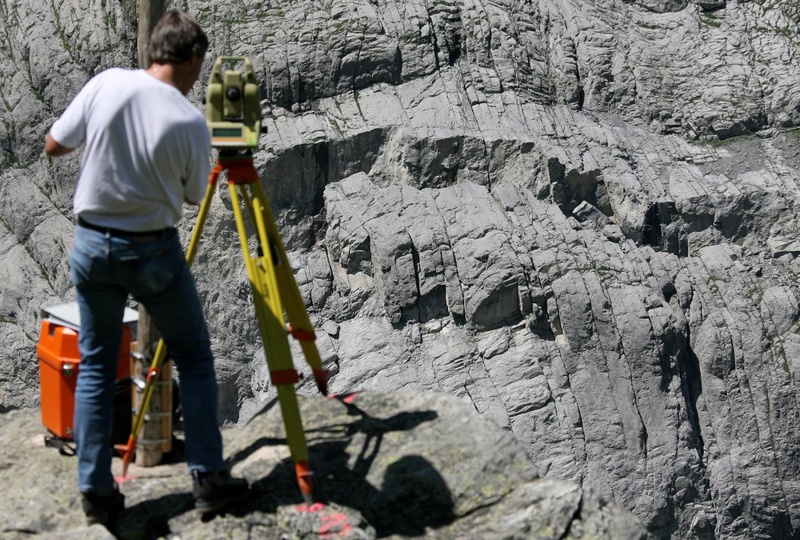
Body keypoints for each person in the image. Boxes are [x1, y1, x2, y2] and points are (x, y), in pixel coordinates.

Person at [44, 10, 249, 528]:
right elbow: (188, 195)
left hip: (90, 246)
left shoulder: (106, 83)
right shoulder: (186, 120)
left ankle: (96, 490)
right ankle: (208, 477)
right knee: (196, 360)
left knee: (95, 366)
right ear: (190, 62)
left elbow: (53, 143)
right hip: (151, 251)